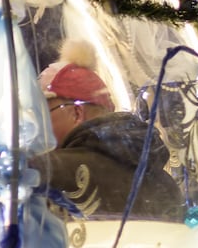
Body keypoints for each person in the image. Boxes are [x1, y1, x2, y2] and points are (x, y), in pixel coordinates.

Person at [32, 40, 183, 220]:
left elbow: (0, 174)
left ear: (76, 113)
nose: (36, 126)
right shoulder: (162, 179)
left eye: (42, 114)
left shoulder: (54, 169)